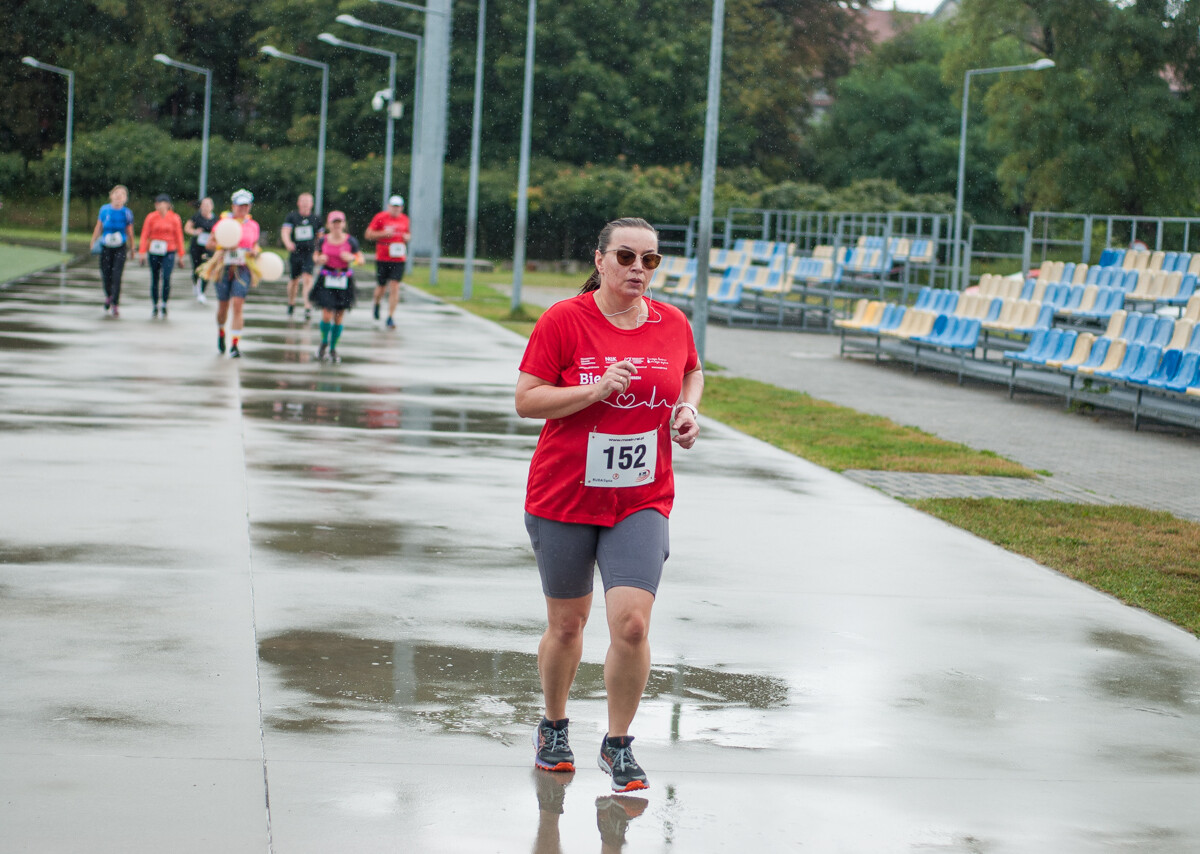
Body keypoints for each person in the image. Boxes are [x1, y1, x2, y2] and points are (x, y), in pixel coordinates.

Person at [514, 217, 703, 794]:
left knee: (633, 624)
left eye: (650, 260)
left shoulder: (672, 323)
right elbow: (526, 400)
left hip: (640, 497)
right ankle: (554, 726)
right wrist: (592, 392)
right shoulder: (564, 320)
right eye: (626, 257)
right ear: (600, 260)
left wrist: (687, 411)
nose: (638, 270)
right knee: (568, 625)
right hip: (564, 493)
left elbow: (691, 372)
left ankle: (618, 743)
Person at [206, 189, 261, 358]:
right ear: (233, 206)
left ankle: (235, 345)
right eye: (239, 206)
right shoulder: (223, 223)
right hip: (223, 266)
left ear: (249, 207)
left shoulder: (253, 225)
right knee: (223, 306)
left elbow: (256, 245)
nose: (242, 209)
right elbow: (209, 244)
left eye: (246, 206)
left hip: (243, 268)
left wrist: (255, 252)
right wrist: (224, 246)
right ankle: (221, 331)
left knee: (238, 304)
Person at [308, 211, 364, 364]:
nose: (337, 225)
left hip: (344, 280)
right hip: (327, 278)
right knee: (327, 313)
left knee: (339, 315)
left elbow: (361, 259)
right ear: (329, 224)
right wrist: (320, 259)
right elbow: (315, 256)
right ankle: (323, 342)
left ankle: (333, 348)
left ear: (344, 224)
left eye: (339, 222)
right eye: (334, 222)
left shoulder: (351, 241)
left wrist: (352, 258)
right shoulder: (323, 240)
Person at [364, 194, 410, 329]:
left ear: (401, 208)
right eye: (393, 206)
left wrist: (407, 237)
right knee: (381, 287)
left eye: (398, 207)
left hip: (398, 257)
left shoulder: (405, 219)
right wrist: (383, 234)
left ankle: (391, 316)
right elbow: (368, 234)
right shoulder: (380, 217)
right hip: (383, 257)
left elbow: (407, 234)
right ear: (389, 206)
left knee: (395, 286)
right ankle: (377, 303)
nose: (396, 209)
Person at [89, 184, 135, 317]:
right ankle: (108, 295)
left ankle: (115, 303)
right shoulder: (104, 210)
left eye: (122, 195)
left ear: (125, 199)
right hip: (106, 247)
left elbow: (130, 233)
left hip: (120, 247)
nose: (118, 196)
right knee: (106, 274)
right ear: (111, 196)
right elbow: (99, 227)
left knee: (117, 275)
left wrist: (132, 248)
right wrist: (93, 241)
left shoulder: (127, 213)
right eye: (116, 193)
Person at [137, 193, 186, 318]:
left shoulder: (174, 218)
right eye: (157, 203)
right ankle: (155, 304)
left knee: (166, 277)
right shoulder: (151, 217)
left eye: (161, 203)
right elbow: (144, 235)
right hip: (154, 250)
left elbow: (179, 237)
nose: (158, 206)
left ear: (168, 205)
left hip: (168, 250)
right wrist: (142, 252)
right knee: (155, 278)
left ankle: (164, 302)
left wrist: (181, 255)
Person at [281, 192, 320, 319]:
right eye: (303, 201)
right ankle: (291, 302)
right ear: (298, 203)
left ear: (312, 204)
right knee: (294, 280)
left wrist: (318, 251)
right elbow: (286, 231)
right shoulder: (292, 217)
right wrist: (288, 243)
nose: (305, 204)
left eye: (307, 201)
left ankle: (307, 306)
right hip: (296, 252)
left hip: (309, 253)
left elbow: (320, 237)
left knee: (308, 278)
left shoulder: (316, 219)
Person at [185, 197, 217, 303]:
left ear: (212, 207)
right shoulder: (196, 217)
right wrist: (195, 232)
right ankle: (195, 282)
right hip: (196, 246)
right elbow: (187, 228)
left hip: (209, 247)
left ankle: (202, 292)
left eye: (208, 205)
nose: (205, 207)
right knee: (196, 268)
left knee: (207, 268)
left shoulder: (216, 219)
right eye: (203, 205)